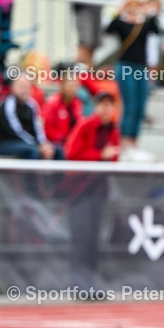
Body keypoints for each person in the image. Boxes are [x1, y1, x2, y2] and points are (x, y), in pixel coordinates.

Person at [64, 92, 120, 292]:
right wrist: (99, 155)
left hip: (99, 190)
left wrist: (108, 157)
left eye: (109, 105)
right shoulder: (85, 125)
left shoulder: (113, 130)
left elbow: (113, 160)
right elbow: (72, 153)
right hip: (79, 190)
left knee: (94, 239)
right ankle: (78, 283)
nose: (106, 109)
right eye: (102, 104)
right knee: (81, 238)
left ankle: (91, 283)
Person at [106, 0, 159, 160]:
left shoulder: (144, 23)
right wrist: (119, 11)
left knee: (140, 105)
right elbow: (109, 29)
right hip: (125, 66)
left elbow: (156, 29)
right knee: (129, 104)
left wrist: (148, 12)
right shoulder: (122, 23)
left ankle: (134, 141)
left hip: (140, 67)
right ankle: (125, 141)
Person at [0, 70, 61, 160]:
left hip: (28, 143)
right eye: (21, 86)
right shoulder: (7, 105)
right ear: (13, 87)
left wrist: (44, 144)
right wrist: (37, 145)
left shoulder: (32, 105)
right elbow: (16, 131)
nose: (24, 89)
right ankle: (33, 174)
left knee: (58, 150)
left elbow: (38, 128)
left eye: (27, 86)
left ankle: (57, 174)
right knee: (33, 151)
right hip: (7, 143)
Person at [42, 64, 84, 155]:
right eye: (70, 84)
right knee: (63, 151)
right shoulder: (53, 103)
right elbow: (47, 127)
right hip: (56, 142)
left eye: (75, 85)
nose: (73, 88)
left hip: (71, 141)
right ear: (63, 84)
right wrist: (62, 138)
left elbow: (79, 124)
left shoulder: (77, 103)